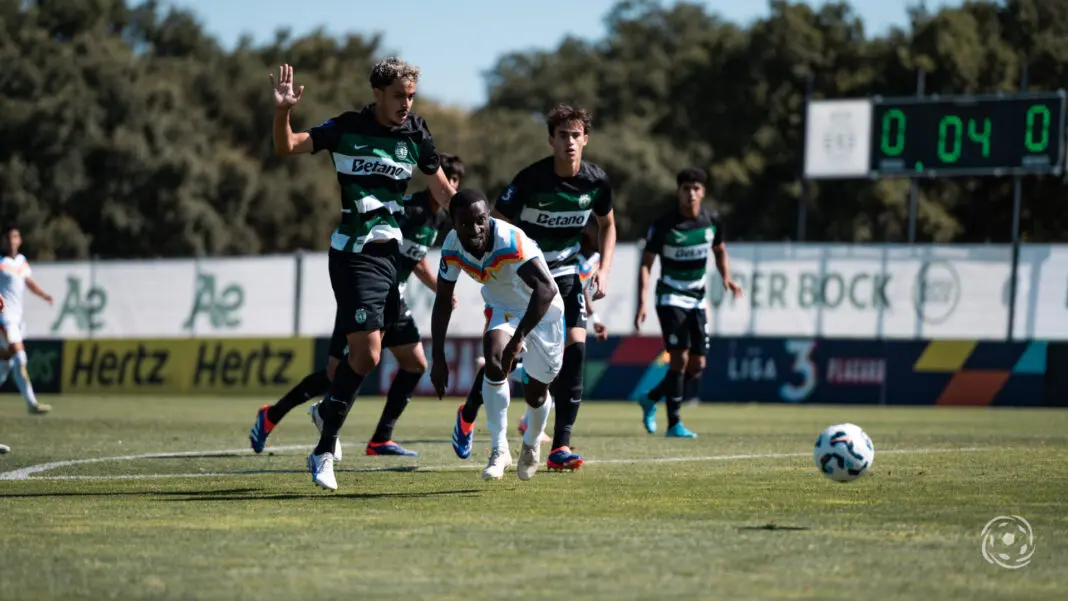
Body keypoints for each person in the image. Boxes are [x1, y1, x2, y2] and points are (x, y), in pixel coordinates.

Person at [270, 58, 455, 491]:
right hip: (354, 254)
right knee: (369, 356)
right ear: (377, 92)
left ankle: (327, 408)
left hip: (390, 261)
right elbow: (287, 146)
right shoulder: (346, 128)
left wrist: (486, 227)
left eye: (410, 96)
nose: (405, 104)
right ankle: (322, 452)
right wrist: (282, 112)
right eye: (397, 96)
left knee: (400, 360)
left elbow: (444, 191)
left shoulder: (417, 135)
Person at [248, 154, 464, 460]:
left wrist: (439, 288)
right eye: (448, 179)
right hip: (363, 294)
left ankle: (381, 439)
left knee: (416, 363)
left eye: (456, 180)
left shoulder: (438, 219)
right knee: (336, 374)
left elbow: (414, 258)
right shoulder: (408, 210)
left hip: (393, 300)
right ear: (434, 179)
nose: (451, 186)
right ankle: (272, 415)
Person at [452, 104, 615, 472]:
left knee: (575, 350)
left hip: (567, 274)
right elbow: (496, 223)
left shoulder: (596, 182)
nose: (570, 142)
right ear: (551, 140)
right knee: (505, 356)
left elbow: (608, 224)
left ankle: (560, 446)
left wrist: (603, 268)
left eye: (576, 135)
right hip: (525, 278)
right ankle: (469, 413)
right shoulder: (530, 180)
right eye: (562, 136)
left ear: (585, 139)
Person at [431, 189, 564, 481]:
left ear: (488, 216)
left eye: (481, 220)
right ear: (453, 224)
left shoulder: (510, 242)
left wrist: (519, 339)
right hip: (503, 307)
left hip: (543, 311)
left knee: (537, 394)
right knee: (494, 360)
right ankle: (498, 448)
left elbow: (546, 290)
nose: (476, 229)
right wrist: (437, 357)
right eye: (466, 224)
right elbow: (442, 300)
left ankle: (531, 443)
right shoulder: (452, 247)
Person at [634, 168, 742, 436]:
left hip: (697, 298)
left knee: (697, 366)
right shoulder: (664, 225)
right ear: (679, 191)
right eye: (686, 188)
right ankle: (674, 424)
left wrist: (726, 278)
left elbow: (720, 250)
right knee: (679, 360)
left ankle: (651, 397)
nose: (691, 193)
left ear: (703, 192)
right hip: (670, 296)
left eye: (696, 188)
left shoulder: (712, 220)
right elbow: (646, 264)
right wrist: (642, 304)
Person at [0, 226, 53, 416]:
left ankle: (31, 404)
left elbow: (28, 282)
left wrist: (44, 295)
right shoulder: (1, 262)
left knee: (5, 366)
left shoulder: (21, 262)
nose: (11, 240)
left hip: (16, 319)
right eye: (8, 237)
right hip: (4, 319)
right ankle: (31, 404)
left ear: (19, 240)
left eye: (14, 236)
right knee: (20, 358)